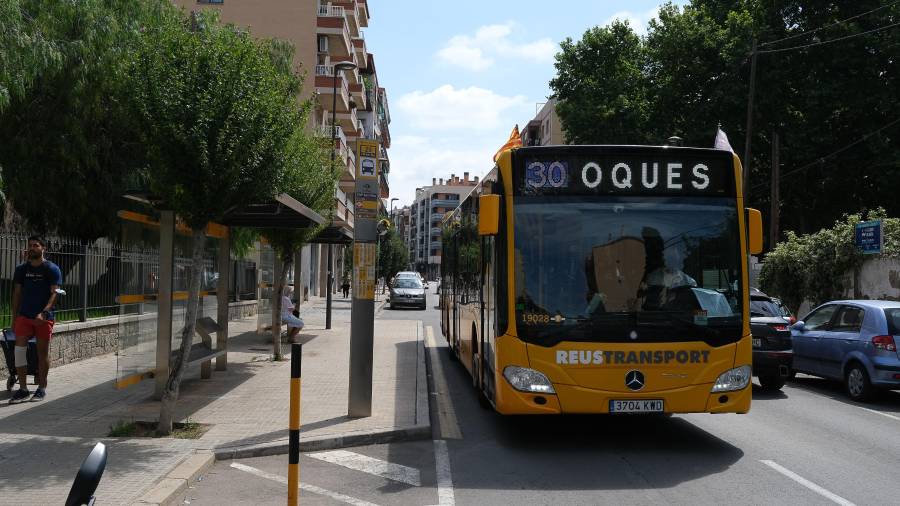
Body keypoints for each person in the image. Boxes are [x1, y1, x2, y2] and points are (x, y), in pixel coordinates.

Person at [10, 236, 63, 404]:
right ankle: (23, 389)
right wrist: (14, 317)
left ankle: (41, 388)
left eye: (36, 245)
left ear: (43, 248)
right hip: (24, 316)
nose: (32, 248)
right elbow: (17, 293)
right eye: (30, 246)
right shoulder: (21, 269)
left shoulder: (51, 269)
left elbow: (55, 293)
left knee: (42, 354)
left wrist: (45, 312)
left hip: (43, 318)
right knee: (19, 351)